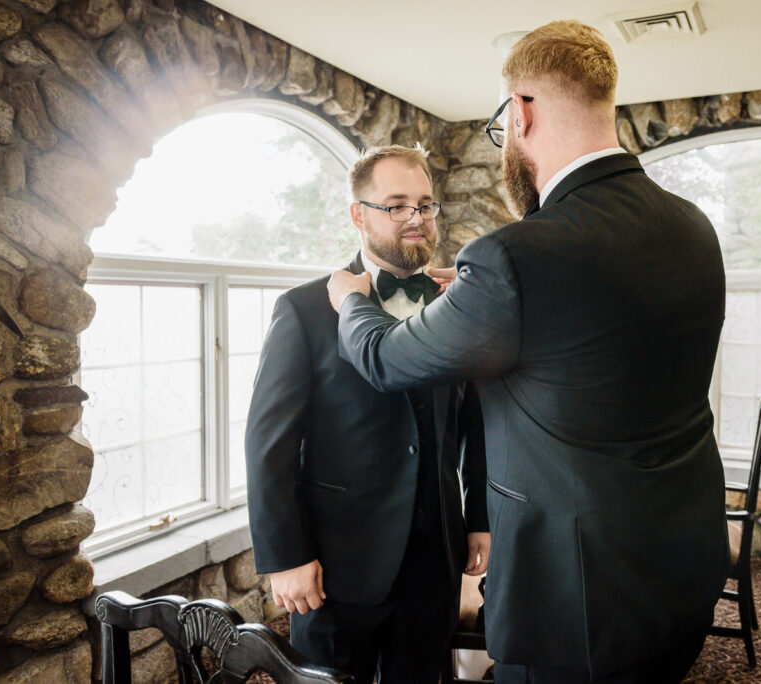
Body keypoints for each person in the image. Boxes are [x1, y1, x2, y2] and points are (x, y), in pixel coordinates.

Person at [326, 20, 730, 684]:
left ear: (520, 114)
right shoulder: (692, 227)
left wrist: (350, 300)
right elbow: (598, 335)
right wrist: (481, 297)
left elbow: (386, 360)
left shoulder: (515, 255)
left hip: (573, 607)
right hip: (681, 573)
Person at [245, 144, 490, 684]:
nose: (415, 218)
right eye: (396, 204)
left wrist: (479, 519)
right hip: (337, 567)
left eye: (425, 205)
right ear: (358, 215)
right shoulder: (304, 310)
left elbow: (474, 419)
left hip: (436, 561)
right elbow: (269, 443)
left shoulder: (457, 304)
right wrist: (284, 555)